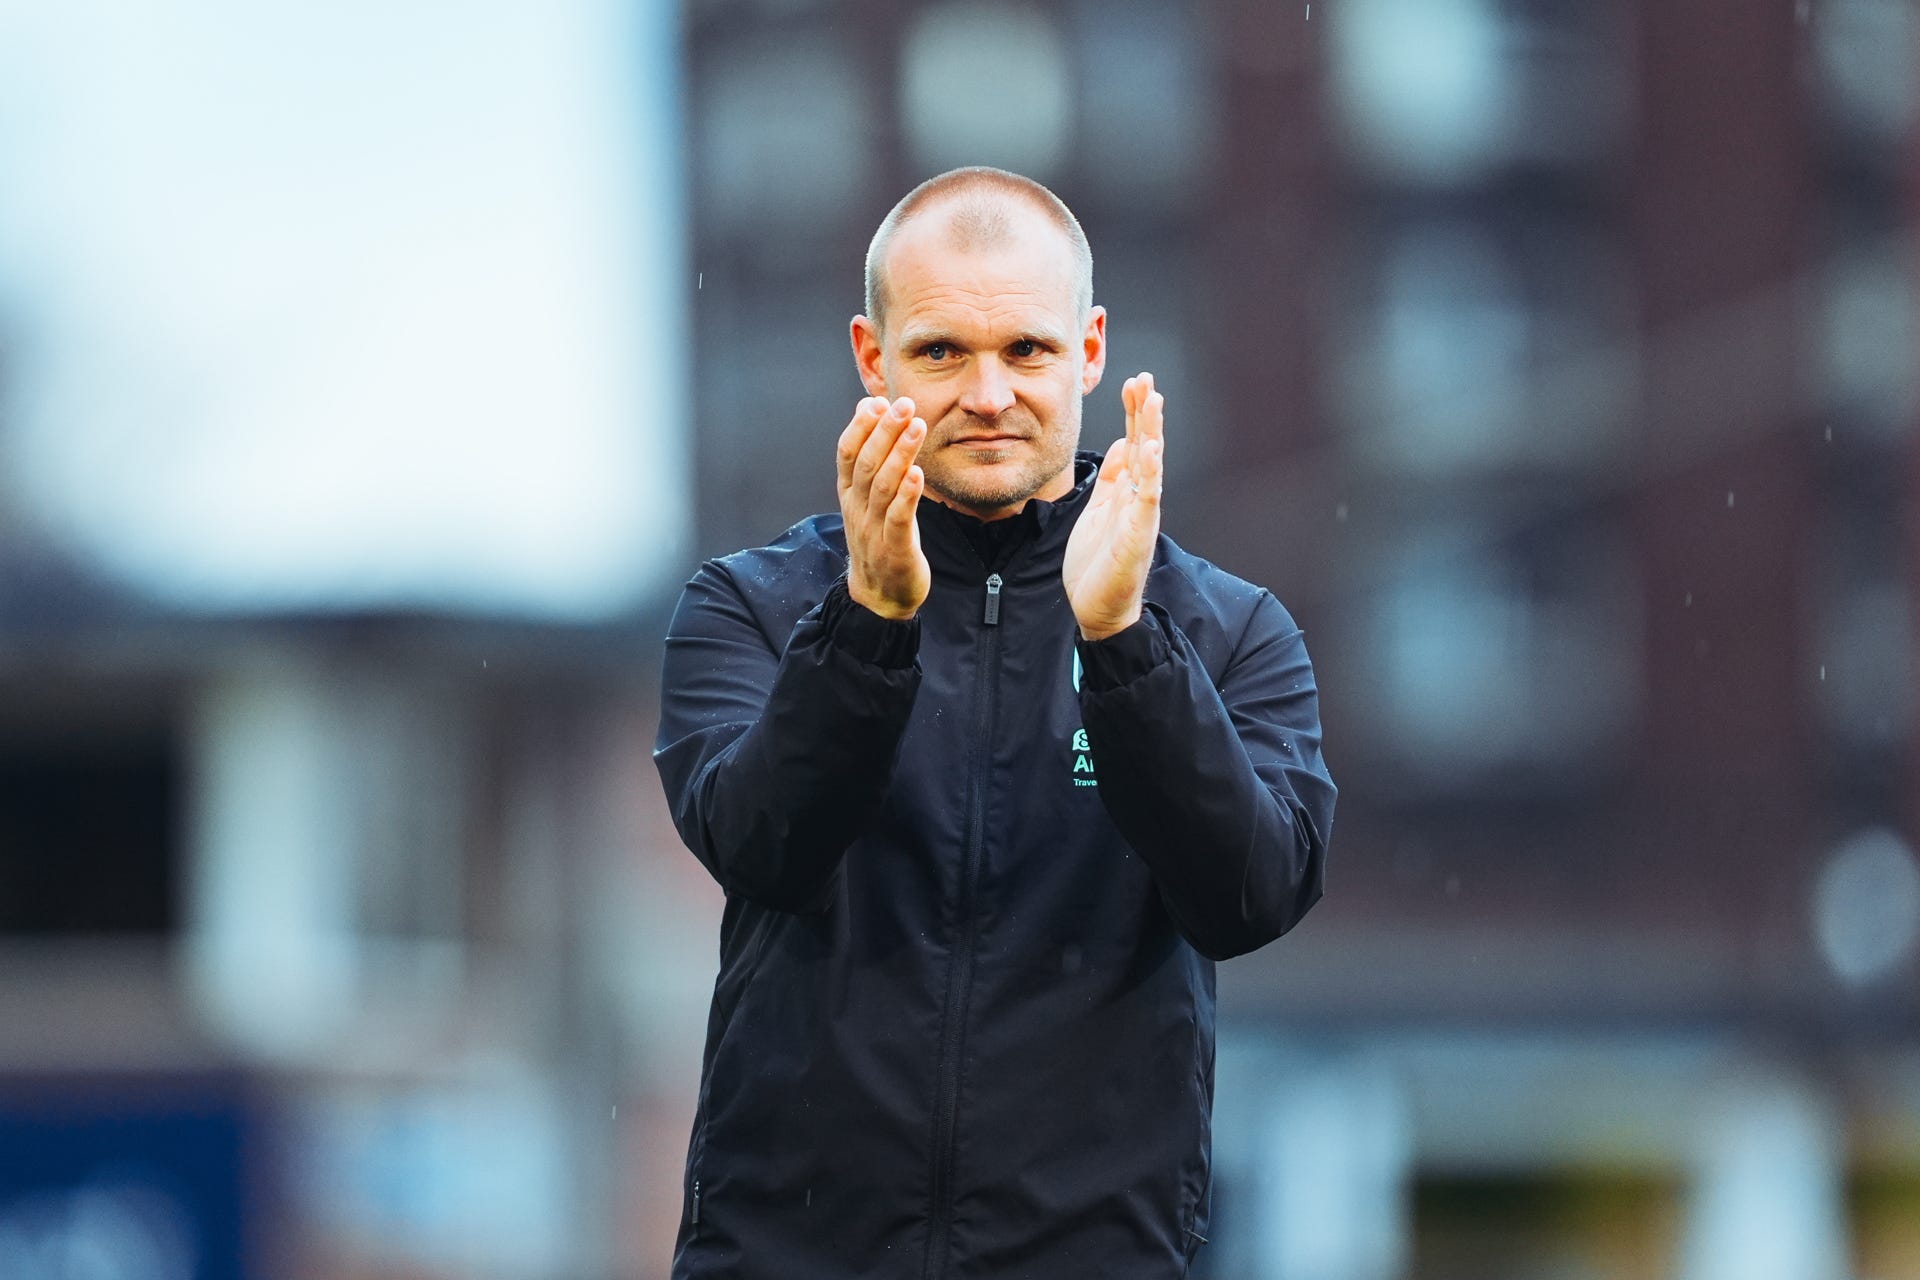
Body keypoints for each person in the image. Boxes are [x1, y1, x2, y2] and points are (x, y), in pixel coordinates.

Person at [654, 166, 1335, 1279]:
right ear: (873, 356)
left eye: (1026, 349)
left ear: (1090, 349)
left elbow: (1250, 896)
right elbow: (764, 846)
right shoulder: (751, 606)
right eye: (940, 352)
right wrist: (870, 622)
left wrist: (1122, 641)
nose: (987, 393)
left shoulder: (1228, 629)